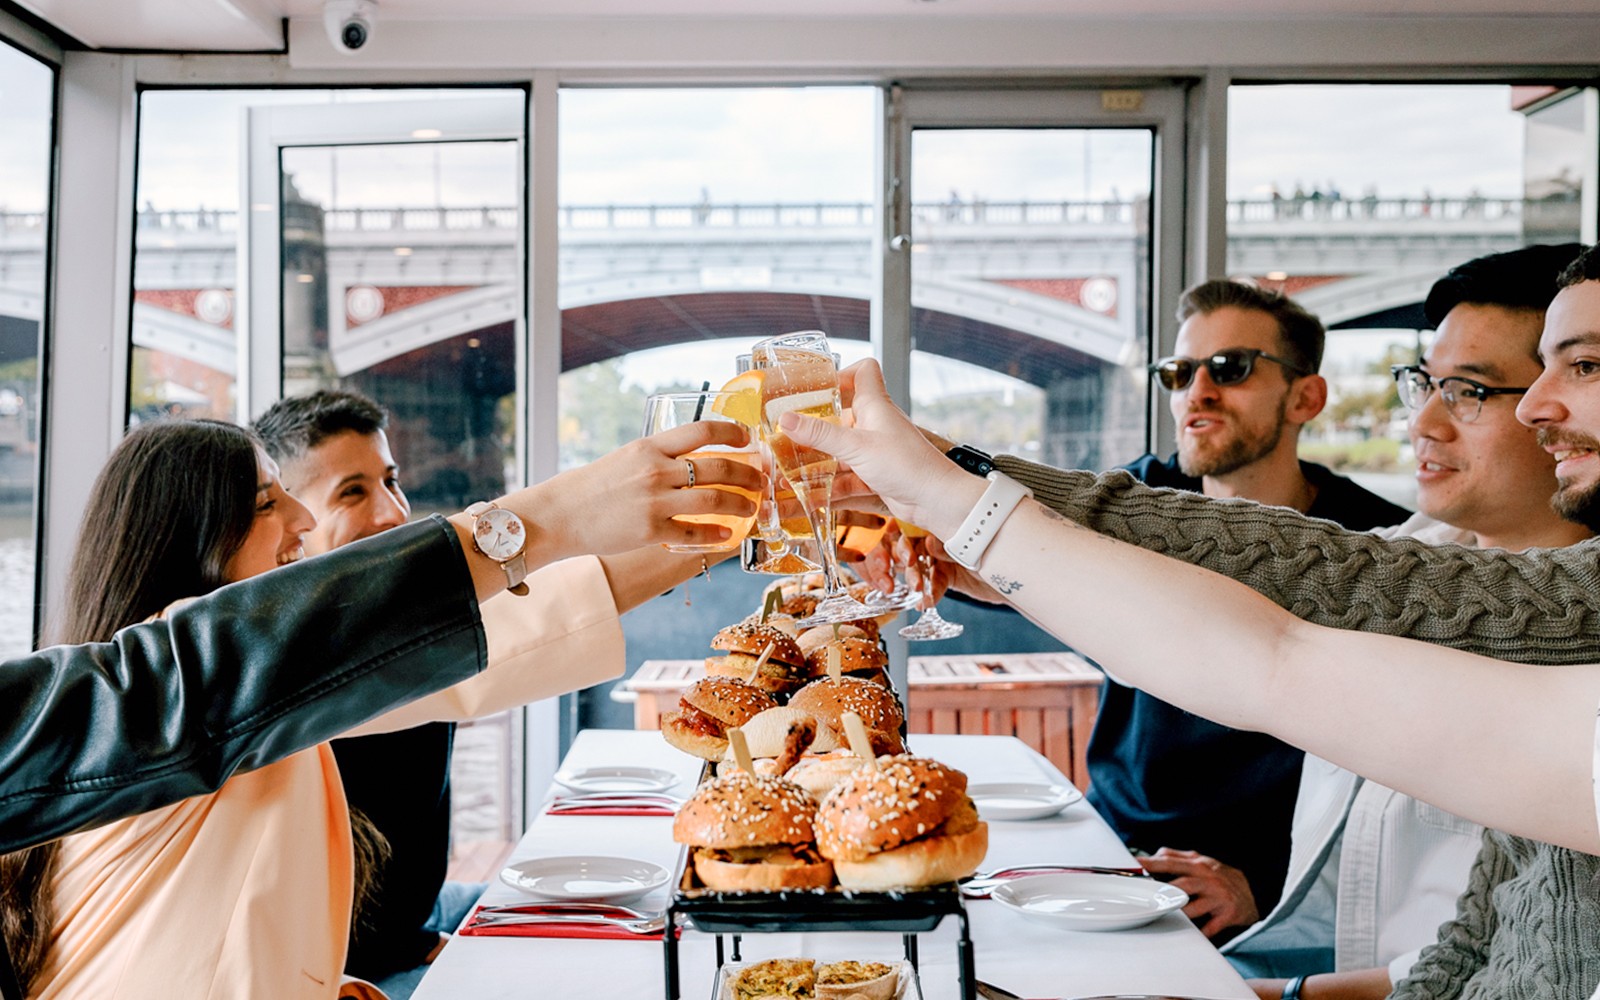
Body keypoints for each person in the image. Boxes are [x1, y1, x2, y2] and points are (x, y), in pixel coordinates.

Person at [803, 243, 1600, 999]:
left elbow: (1278, 646)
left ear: (1304, 396)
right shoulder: (1439, 556)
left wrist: (966, 490)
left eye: (1587, 365)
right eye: (1425, 384)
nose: (1538, 406)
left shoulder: (1549, 599)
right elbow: (1468, 953)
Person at [3, 416, 759, 999]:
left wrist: (737, 526)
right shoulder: (187, 692)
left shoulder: (236, 702)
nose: (301, 520)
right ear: (191, 542)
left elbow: (512, 625)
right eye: (270, 502)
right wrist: (563, 516)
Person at [254, 389, 718, 996]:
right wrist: (723, 531)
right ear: (296, 524)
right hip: (350, 968)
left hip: (410, 929)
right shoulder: (285, 662)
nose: (393, 513)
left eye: (391, 482)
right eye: (352, 491)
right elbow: (525, 625)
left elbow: (537, 604)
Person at [1220, 244, 1590, 998]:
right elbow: (1222, 591)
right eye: (1424, 383)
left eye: (1467, 391)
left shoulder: (1573, 646)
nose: (1422, 421)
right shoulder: (1404, 556)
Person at [1095, 280, 1407, 940]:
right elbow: (1018, 525)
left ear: (1305, 397)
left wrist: (1267, 887)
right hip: (1104, 853)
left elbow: (1398, 767)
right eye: (1179, 374)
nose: (1196, 394)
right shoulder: (1145, 497)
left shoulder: (1378, 547)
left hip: (1258, 901)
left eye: (1229, 369)